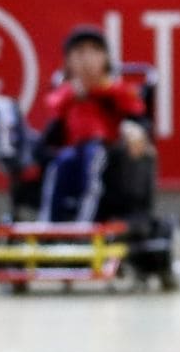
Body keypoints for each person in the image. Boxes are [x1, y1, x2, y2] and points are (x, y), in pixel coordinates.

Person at [35, 26, 151, 221]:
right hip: (73, 150)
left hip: (104, 150)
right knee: (59, 165)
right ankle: (49, 223)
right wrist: (75, 93)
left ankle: (85, 223)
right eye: (80, 53)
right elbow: (54, 116)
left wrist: (133, 130)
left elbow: (136, 114)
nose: (87, 59)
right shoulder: (66, 94)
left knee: (93, 163)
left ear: (105, 59)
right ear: (68, 61)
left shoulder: (117, 91)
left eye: (94, 52)